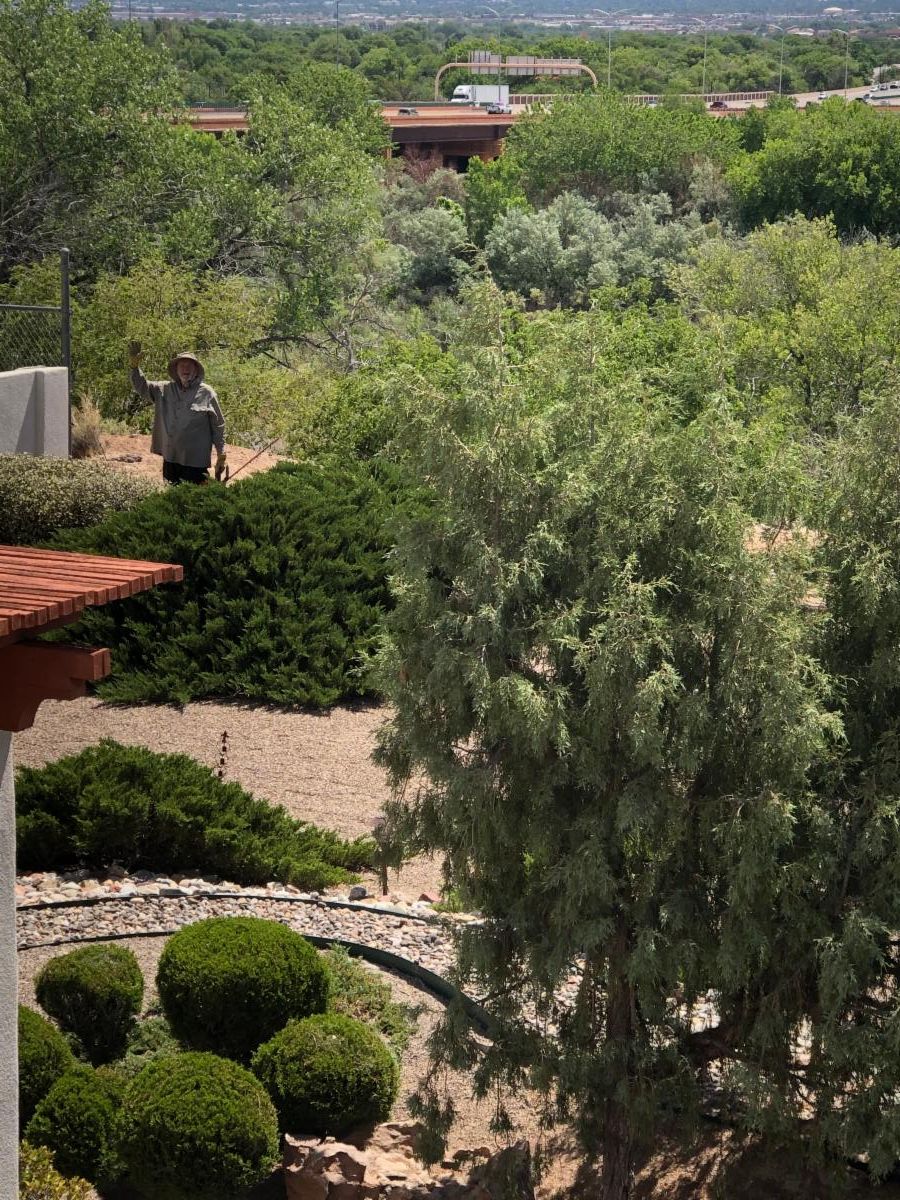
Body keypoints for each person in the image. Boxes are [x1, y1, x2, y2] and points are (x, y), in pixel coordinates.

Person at [128, 343, 227, 484]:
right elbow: (142, 386)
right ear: (176, 370)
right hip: (170, 458)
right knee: (171, 494)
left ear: (196, 370)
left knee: (194, 496)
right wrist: (134, 367)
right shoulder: (164, 389)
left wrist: (221, 454)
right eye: (182, 365)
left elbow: (218, 426)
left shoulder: (207, 393)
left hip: (195, 463)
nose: (185, 368)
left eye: (189, 365)